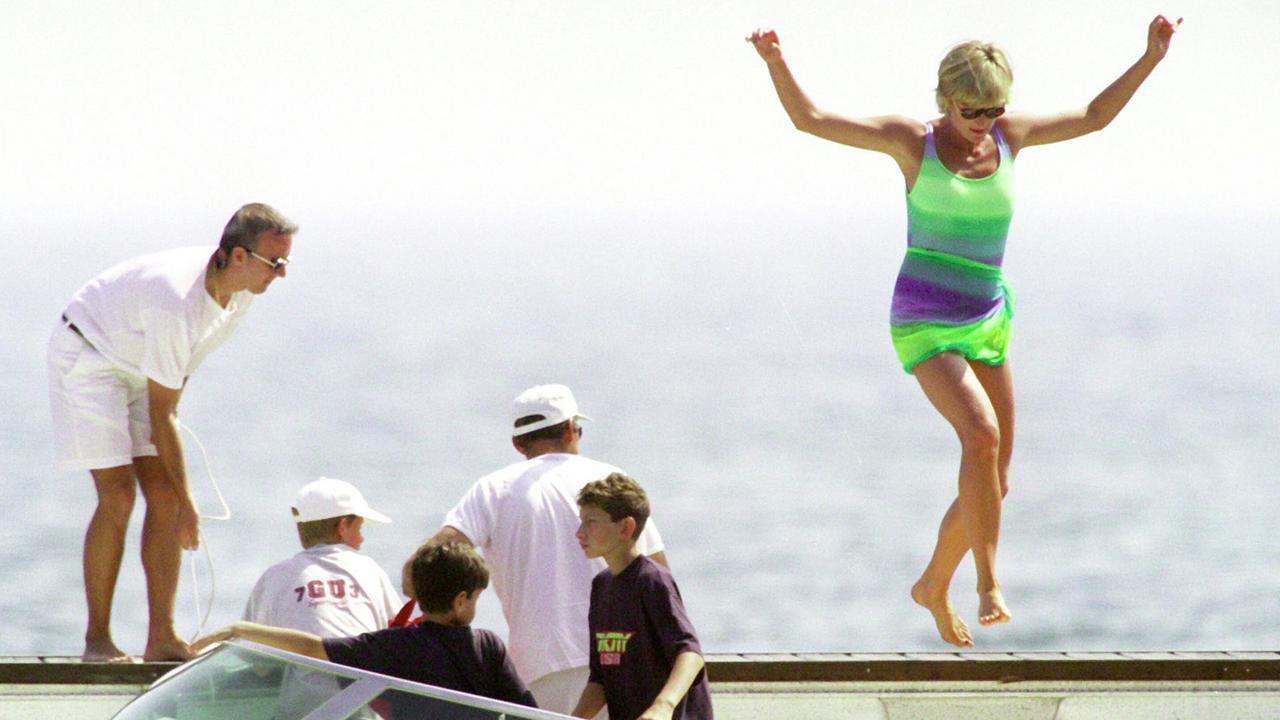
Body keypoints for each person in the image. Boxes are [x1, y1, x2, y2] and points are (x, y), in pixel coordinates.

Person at [747, 18, 1179, 647]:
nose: (983, 119)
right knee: (980, 435)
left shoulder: (1010, 136)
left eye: (993, 107)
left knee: (995, 477)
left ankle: (931, 585)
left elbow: (1092, 115)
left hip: (987, 313)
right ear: (944, 99)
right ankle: (987, 583)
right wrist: (774, 60)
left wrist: (1151, 57)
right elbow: (810, 119)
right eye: (970, 108)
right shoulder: (910, 143)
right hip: (924, 316)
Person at [49, 202, 297, 662]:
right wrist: (190, 503)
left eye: (286, 261)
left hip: (140, 363)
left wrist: (178, 498)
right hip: (88, 354)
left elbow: (172, 392)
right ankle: (97, 641)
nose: (282, 273)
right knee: (119, 496)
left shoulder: (239, 296)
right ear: (238, 257)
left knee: (162, 498)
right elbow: (162, 414)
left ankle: (160, 638)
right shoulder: (175, 300)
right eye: (275, 262)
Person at [422, 384, 668, 715]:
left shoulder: (493, 490)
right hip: (622, 656)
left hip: (540, 665)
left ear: (517, 442)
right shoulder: (612, 480)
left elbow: (425, 566)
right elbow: (659, 576)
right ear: (570, 429)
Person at [194, 541, 537, 711]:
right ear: (461, 600)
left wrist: (239, 629)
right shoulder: (488, 646)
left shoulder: (393, 645)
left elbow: (312, 647)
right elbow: (527, 712)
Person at [571, 473, 712, 720]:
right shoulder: (601, 586)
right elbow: (599, 679)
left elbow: (689, 653)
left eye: (591, 522)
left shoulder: (652, 580)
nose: (579, 533)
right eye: (581, 521)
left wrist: (663, 706)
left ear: (626, 527)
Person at [243, 477, 402, 637]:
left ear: (300, 527)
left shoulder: (274, 577)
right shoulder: (369, 570)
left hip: (295, 662)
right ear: (342, 527)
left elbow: (247, 641)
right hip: (353, 661)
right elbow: (399, 634)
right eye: (359, 529)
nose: (362, 539)